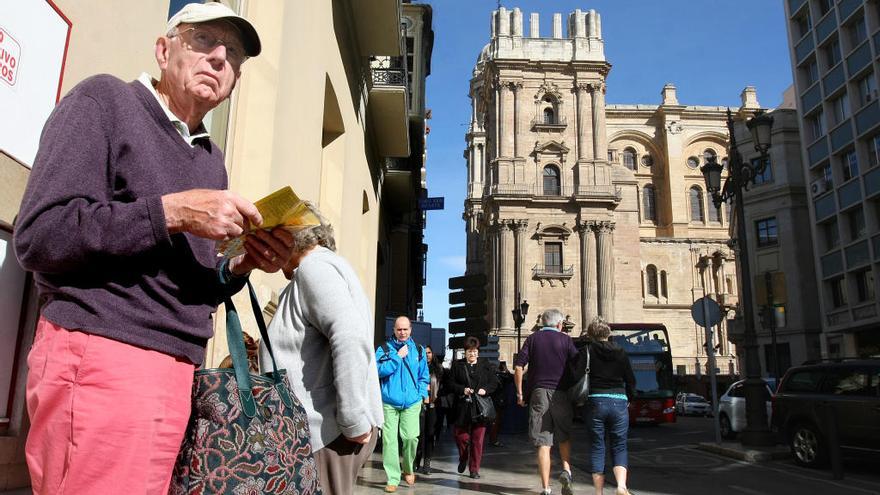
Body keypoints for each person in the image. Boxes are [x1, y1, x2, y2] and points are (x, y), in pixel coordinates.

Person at [12, 3, 297, 494]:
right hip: (105, 354)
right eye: (204, 41)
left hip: (180, 371)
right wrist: (171, 212)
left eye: (233, 58)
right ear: (165, 51)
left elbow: (190, 286)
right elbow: (39, 234)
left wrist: (241, 265)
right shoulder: (104, 101)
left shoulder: (211, 159)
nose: (219, 59)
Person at [259, 211, 383, 495]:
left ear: (292, 237)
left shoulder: (314, 269)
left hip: (321, 435)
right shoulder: (323, 269)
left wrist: (352, 421)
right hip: (319, 434)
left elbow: (349, 335)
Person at [514, 309, 579, 495]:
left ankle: (546, 488)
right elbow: (577, 363)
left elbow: (519, 367)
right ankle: (566, 470)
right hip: (561, 393)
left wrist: (519, 394)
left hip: (538, 393)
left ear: (543, 323)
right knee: (564, 436)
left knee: (544, 442)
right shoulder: (566, 340)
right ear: (559, 324)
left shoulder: (532, 339)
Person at [582, 317, 636, 495]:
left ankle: (599, 492)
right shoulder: (621, 351)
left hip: (596, 400)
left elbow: (575, 375)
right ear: (608, 333)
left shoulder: (587, 351)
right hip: (619, 399)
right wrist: (630, 397)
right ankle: (621, 486)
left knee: (598, 446)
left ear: (591, 334)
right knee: (619, 445)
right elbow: (630, 379)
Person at [376, 316, 429, 493]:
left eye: (405, 329)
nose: (402, 332)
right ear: (394, 330)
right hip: (390, 402)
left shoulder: (419, 351)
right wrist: (396, 358)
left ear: (410, 329)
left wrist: (422, 395)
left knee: (411, 437)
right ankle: (393, 477)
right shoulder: (384, 349)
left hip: (412, 402)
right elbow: (377, 371)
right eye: (399, 329)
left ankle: (408, 467)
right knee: (389, 440)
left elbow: (424, 376)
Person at [447, 336, 499, 479]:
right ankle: (463, 457)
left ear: (478, 352)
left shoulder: (485, 364)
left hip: (480, 408)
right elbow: (450, 384)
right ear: (465, 352)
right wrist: (462, 389)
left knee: (478, 440)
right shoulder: (458, 365)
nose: (472, 354)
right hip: (463, 407)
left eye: (475, 351)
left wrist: (485, 390)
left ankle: (474, 469)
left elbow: (494, 382)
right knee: (460, 436)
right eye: (470, 351)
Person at [414, 346, 442, 475]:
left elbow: (444, 389)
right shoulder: (416, 367)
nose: (427, 355)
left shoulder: (439, 370)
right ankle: (416, 460)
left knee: (430, 434)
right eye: (425, 353)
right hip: (418, 405)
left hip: (433, 406)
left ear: (433, 354)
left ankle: (427, 463)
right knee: (418, 434)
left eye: (429, 352)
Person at [489, 361, 513, 447]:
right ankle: (493, 439)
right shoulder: (500, 376)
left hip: (489, 401)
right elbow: (510, 378)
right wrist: (505, 370)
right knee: (496, 421)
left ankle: (492, 438)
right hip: (498, 402)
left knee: (492, 421)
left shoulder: (487, 376)